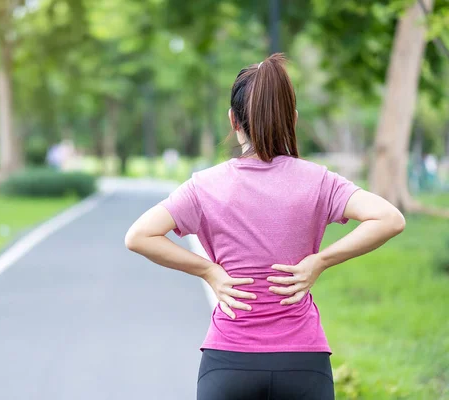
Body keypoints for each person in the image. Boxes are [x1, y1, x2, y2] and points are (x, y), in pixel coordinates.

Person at [124, 53, 405, 400]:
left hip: (229, 362)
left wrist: (209, 271)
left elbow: (138, 236)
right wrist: (320, 261)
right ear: (293, 120)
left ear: (233, 121)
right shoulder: (318, 181)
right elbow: (390, 218)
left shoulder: (205, 185)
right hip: (303, 363)